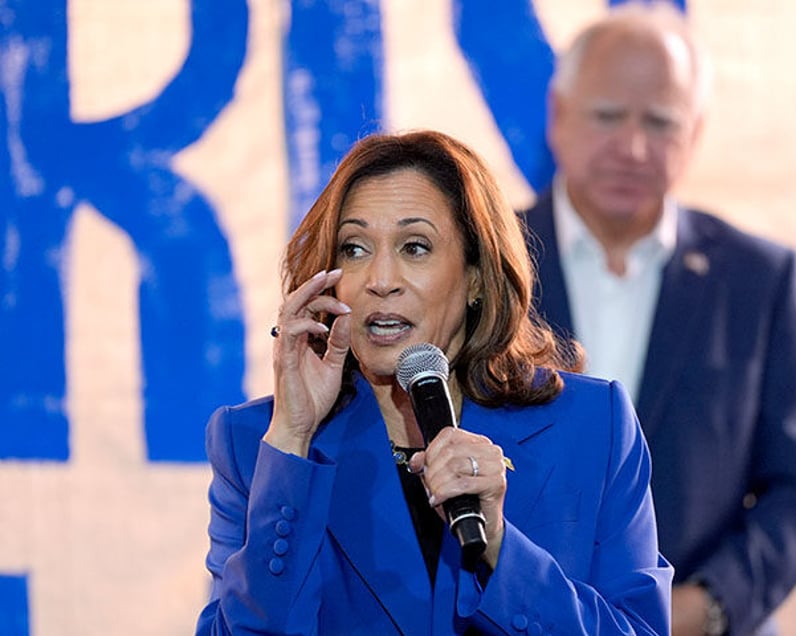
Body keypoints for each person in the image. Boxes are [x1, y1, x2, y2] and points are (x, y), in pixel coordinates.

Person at [195, 129, 672, 634]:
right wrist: (293, 437)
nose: (381, 278)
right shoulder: (257, 448)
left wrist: (501, 550)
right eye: (354, 249)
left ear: (475, 277)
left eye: (415, 247)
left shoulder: (592, 427)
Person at [521, 5, 796, 636]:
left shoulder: (758, 279)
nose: (633, 147)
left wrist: (709, 605)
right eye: (609, 116)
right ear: (558, 118)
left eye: (661, 122)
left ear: (695, 134)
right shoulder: (481, 263)